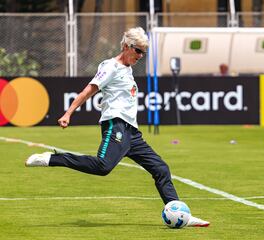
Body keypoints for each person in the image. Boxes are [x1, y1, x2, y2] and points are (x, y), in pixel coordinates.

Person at [25, 27, 209, 227]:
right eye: (138, 51)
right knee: (103, 167)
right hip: (116, 124)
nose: (140, 56)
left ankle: (181, 215)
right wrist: (69, 113)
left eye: (143, 53)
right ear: (127, 46)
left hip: (132, 133)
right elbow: (89, 90)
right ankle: (52, 158)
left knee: (161, 168)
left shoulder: (128, 70)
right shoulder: (110, 66)